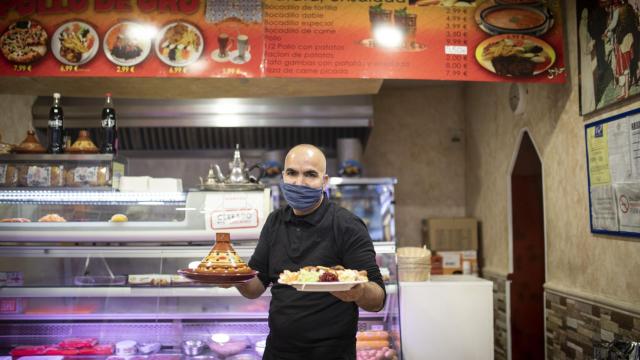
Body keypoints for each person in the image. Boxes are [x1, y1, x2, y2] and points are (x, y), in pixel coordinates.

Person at [235, 144, 386, 360]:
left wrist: (359, 292)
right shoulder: (275, 221)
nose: (299, 182)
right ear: (283, 177)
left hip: (332, 353)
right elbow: (255, 287)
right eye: (292, 173)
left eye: (310, 175)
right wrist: (232, 275)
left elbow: (378, 299)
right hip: (278, 350)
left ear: (324, 181)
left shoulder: (347, 225)